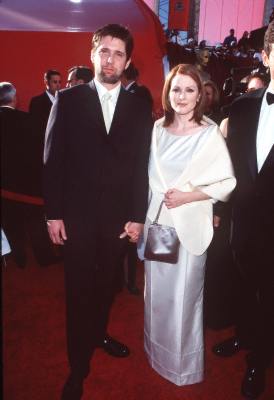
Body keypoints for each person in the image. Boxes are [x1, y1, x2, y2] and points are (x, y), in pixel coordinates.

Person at [43, 24, 153, 399]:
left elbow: (142, 165)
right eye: (104, 51)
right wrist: (53, 213)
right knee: (77, 291)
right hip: (76, 218)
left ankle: (99, 333)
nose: (110, 59)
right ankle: (78, 366)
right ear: (92, 55)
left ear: (127, 61)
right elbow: (53, 160)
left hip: (119, 221)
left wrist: (138, 215)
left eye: (118, 53)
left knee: (107, 287)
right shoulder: (69, 100)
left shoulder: (140, 105)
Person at [143, 64, 236, 386]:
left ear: (200, 96)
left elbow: (226, 182)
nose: (181, 96)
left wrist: (188, 196)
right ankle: (155, 353)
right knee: (156, 295)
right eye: (176, 89)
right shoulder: (157, 129)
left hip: (191, 228)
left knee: (184, 300)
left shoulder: (209, 134)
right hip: (158, 226)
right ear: (168, 93)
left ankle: (182, 368)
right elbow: (148, 181)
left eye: (189, 90)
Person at [212, 21, 274, 399]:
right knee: (246, 288)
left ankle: (258, 360)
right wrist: (220, 207)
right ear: (266, 57)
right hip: (245, 225)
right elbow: (228, 169)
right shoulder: (241, 106)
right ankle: (247, 336)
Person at [1, 82, 58, 268]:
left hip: (4, 187)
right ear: (15, 99)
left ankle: (19, 259)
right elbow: (40, 152)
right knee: (36, 225)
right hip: (28, 185)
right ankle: (44, 258)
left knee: (11, 225)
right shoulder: (29, 120)